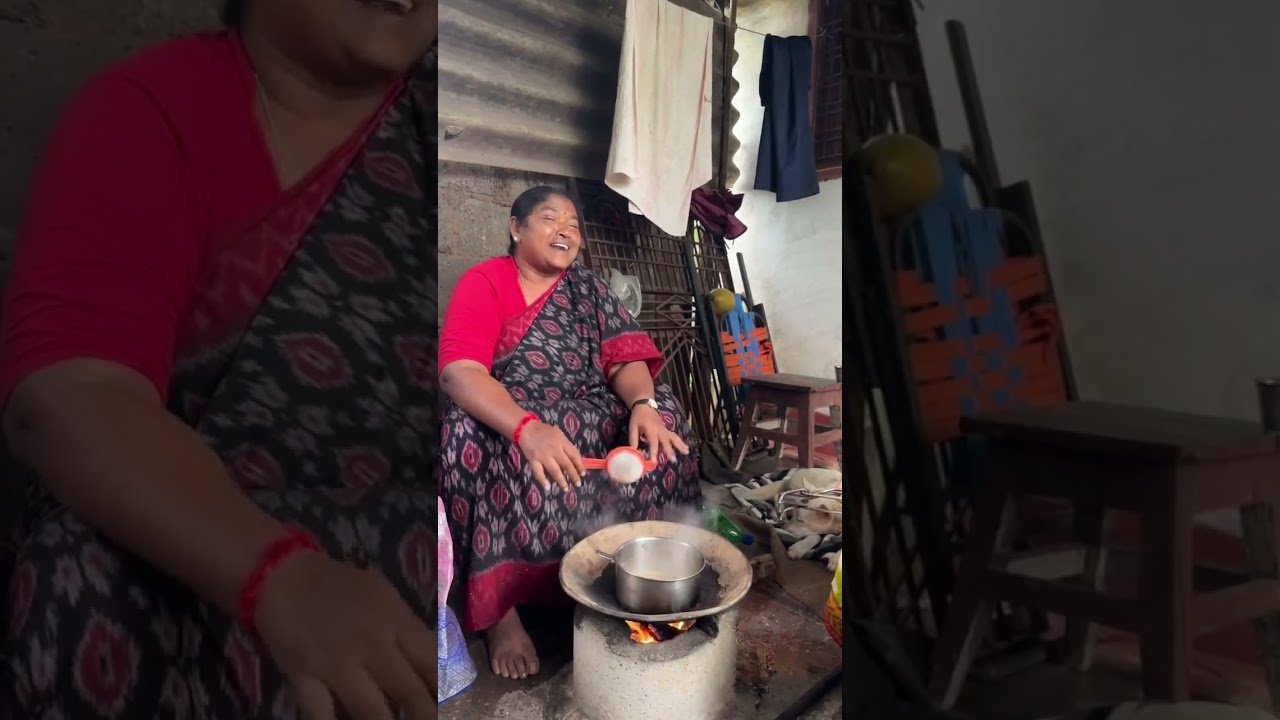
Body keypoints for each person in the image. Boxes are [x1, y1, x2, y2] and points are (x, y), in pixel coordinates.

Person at [0, 1, 439, 718]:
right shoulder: (156, 111)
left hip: (411, 618)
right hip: (206, 611)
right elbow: (71, 393)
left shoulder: (431, 140)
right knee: (88, 568)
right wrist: (283, 581)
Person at [438, 186, 702, 680]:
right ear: (516, 228)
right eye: (549, 218)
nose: (565, 230)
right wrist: (526, 428)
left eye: (573, 224)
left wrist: (642, 405)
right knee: (461, 431)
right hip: (517, 411)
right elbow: (460, 373)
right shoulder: (486, 281)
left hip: (586, 407)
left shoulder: (590, 289)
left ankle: (636, 563)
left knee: (665, 415)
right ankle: (500, 609)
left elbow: (623, 357)